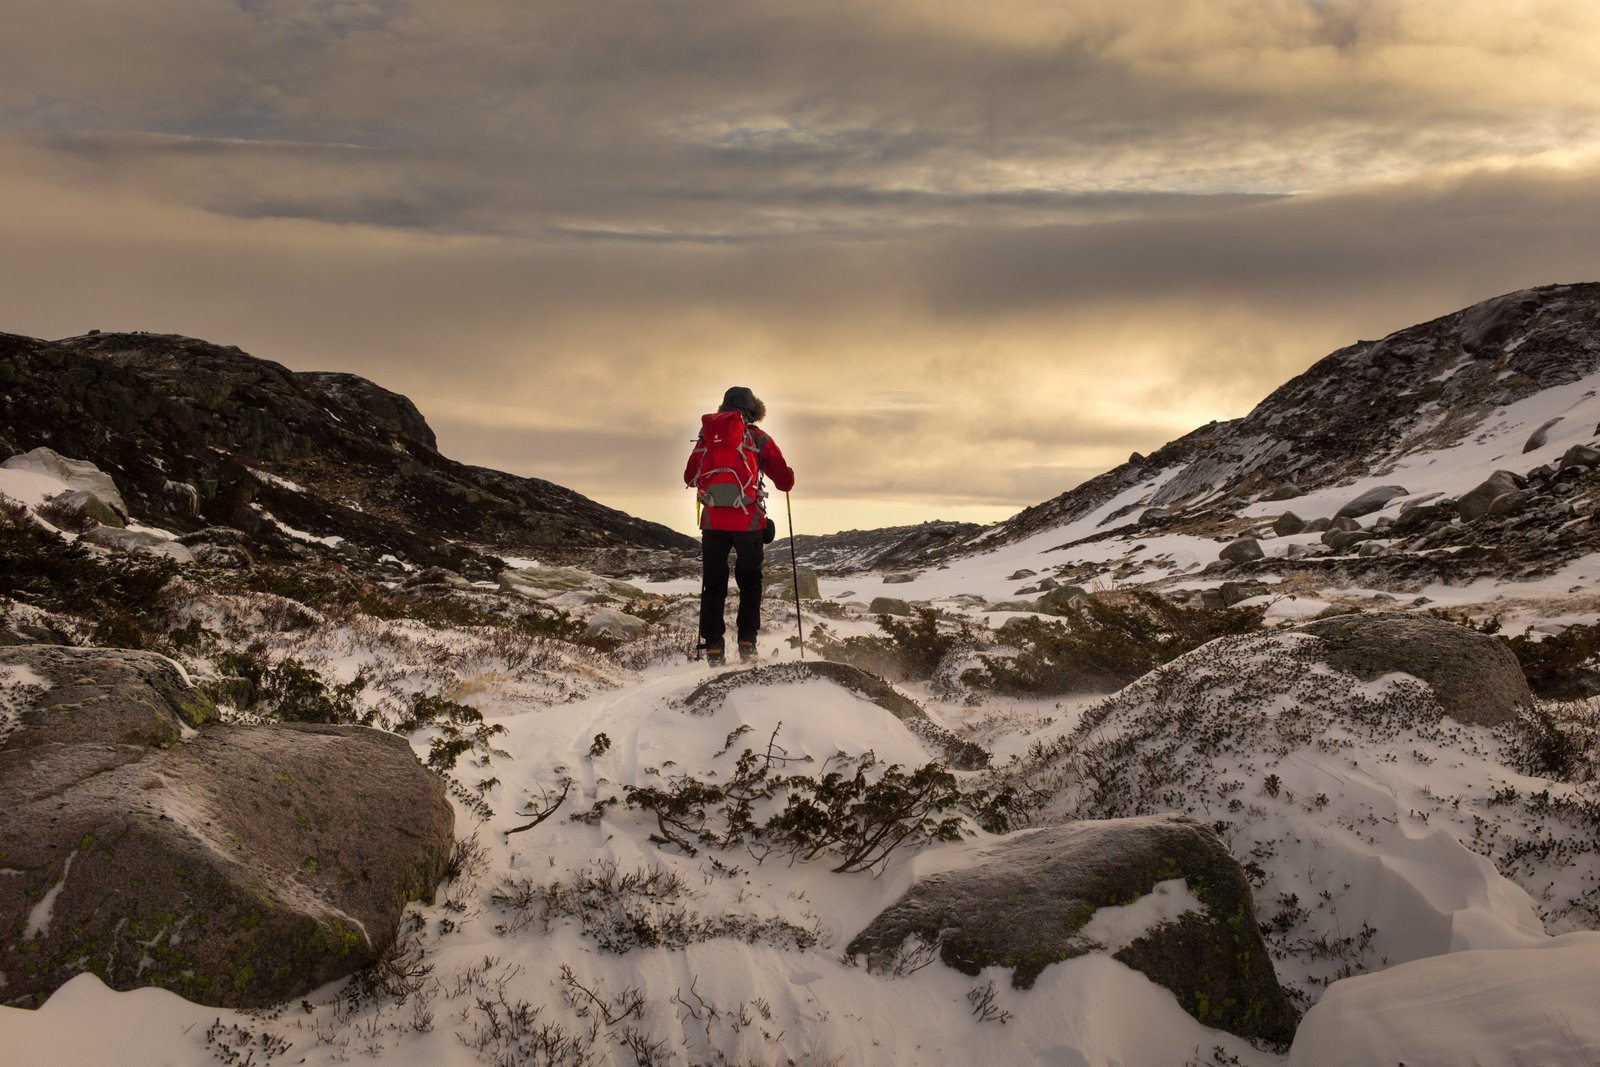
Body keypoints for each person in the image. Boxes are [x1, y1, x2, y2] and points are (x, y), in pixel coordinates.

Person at [684, 386, 795, 665]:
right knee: (750, 581)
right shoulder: (758, 438)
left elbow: (689, 477)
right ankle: (747, 642)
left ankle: (713, 647)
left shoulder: (707, 438)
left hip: (713, 522)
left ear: (723, 408)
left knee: (713, 583)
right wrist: (788, 475)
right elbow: (784, 482)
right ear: (753, 411)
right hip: (749, 522)